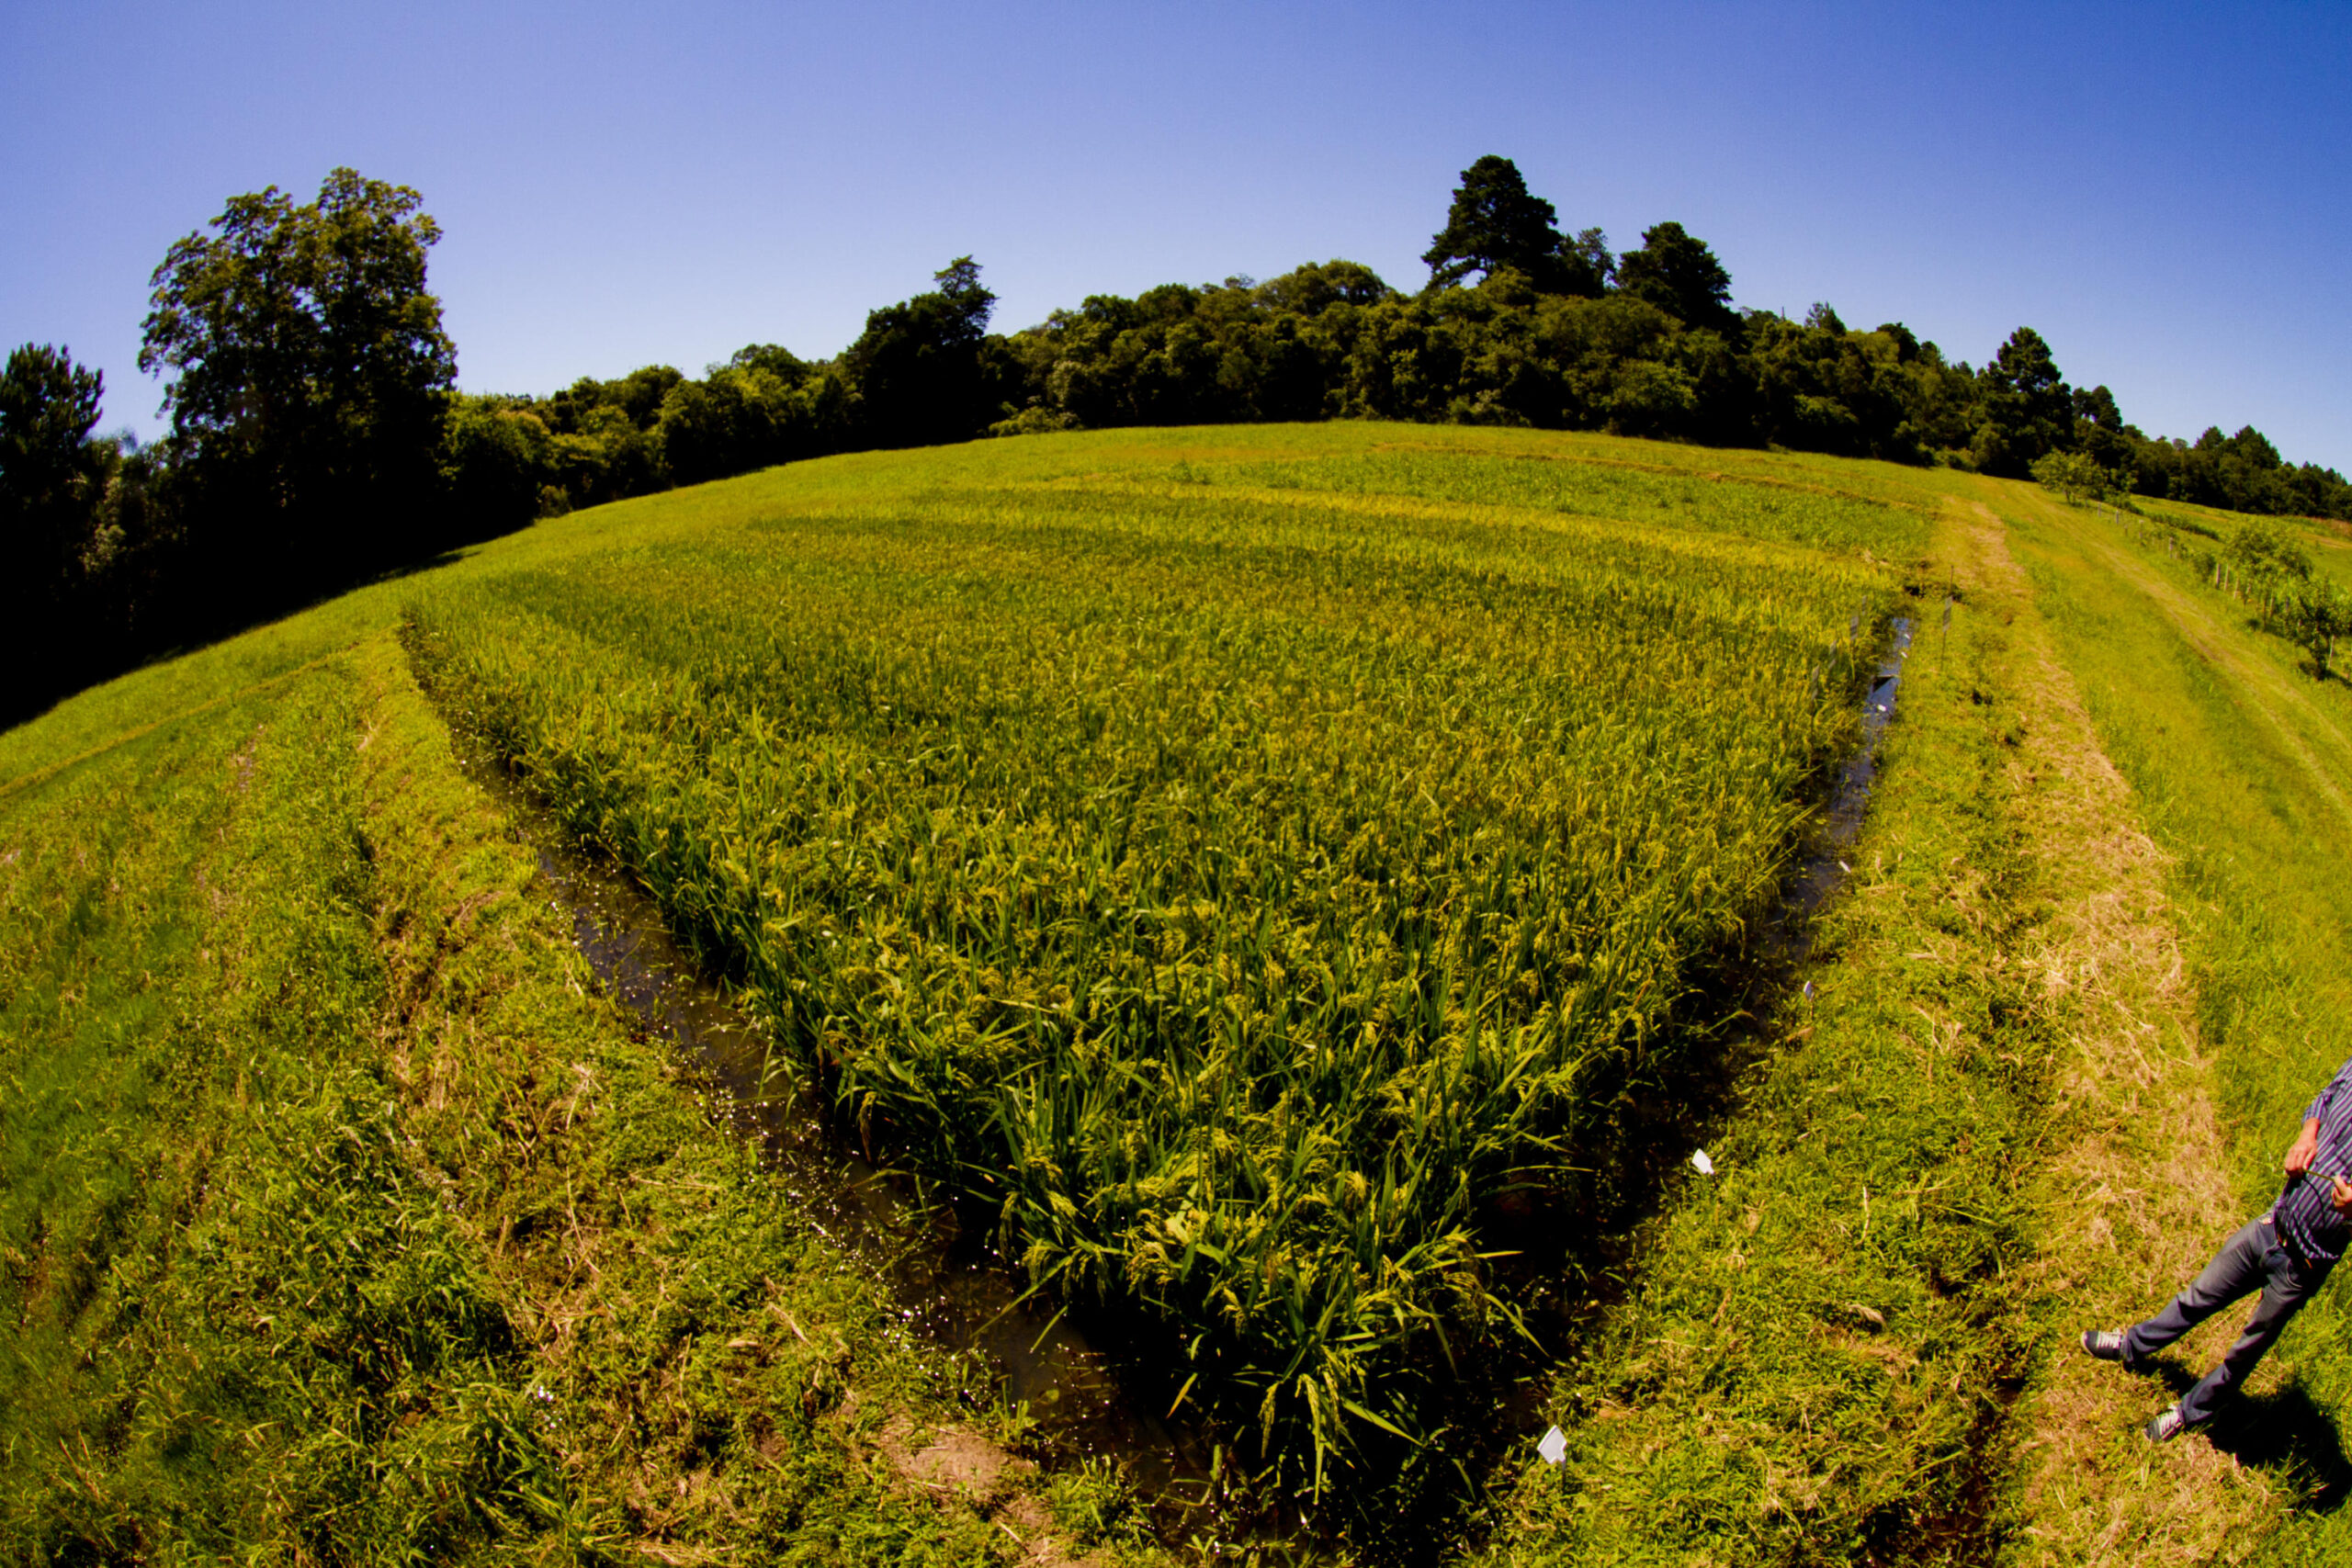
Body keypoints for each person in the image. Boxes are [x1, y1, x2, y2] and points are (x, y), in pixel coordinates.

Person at [2082, 1056, 2352, 1441]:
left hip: (2301, 1267)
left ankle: (2192, 1411)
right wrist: (2307, 1134)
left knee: (2244, 1352)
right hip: (2270, 1226)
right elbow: (2325, 1099)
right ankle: (2132, 1345)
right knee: (2197, 1296)